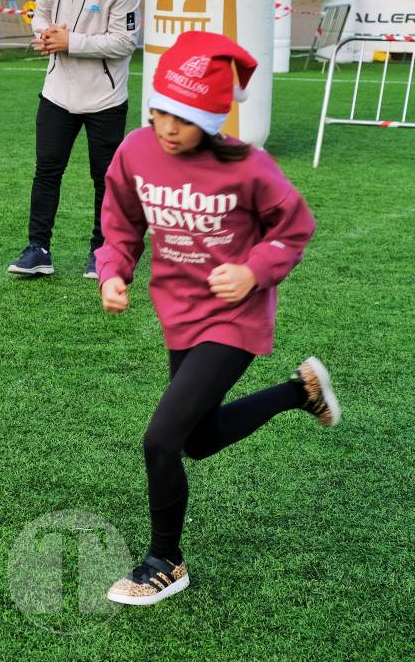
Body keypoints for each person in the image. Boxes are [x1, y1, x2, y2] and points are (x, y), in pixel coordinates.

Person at [96, 30, 341, 606]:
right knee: (198, 440)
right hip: (177, 311)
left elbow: (293, 226)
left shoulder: (246, 164)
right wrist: (114, 270)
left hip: (235, 317)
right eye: (159, 112)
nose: (167, 129)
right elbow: (122, 219)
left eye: (182, 119)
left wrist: (254, 271)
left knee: (160, 440)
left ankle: (165, 561)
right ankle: (296, 392)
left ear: (211, 119)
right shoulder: (135, 150)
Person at [7, 0, 141, 279]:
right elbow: (42, 12)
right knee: (47, 172)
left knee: (105, 179)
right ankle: (38, 249)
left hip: (105, 100)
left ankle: (102, 252)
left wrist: (73, 43)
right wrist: (45, 32)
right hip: (56, 94)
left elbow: (126, 41)